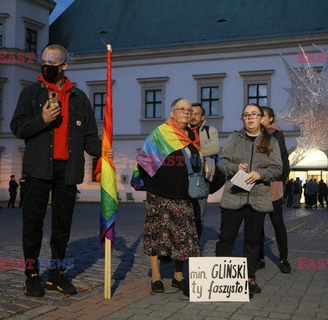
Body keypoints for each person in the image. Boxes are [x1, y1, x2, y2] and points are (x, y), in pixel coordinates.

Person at [11, 44, 113, 297]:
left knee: (62, 227)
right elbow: (18, 127)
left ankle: (56, 275)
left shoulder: (79, 98)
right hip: (37, 168)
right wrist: (42, 120)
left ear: (64, 66)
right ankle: (32, 276)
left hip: (67, 170)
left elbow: (89, 138)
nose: (46, 68)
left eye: (52, 64)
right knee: (32, 225)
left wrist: (102, 150)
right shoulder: (31, 93)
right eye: (43, 63)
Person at [131, 98, 200, 294]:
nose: (186, 112)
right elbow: (144, 161)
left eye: (189, 110)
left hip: (183, 195)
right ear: (172, 112)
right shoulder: (160, 133)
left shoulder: (192, 136)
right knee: (157, 236)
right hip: (159, 194)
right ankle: (156, 277)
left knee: (182, 238)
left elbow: (196, 165)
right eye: (181, 109)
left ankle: (178, 276)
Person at [215, 104, 282, 294]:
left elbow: (278, 168)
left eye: (254, 114)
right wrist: (235, 168)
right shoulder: (234, 138)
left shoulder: (271, 142)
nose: (250, 118)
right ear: (242, 118)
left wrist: (260, 174)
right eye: (246, 115)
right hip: (234, 195)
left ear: (261, 118)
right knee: (225, 238)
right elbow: (222, 162)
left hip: (258, 198)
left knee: (253, 240)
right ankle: (220, 277)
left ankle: (249, 277)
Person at [257, 106, 291, 273]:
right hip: (256, 185)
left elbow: (284, 160)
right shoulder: (253, 134)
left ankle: (284, 258)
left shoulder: (276, 135)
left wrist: (280, 180)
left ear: (270, 118)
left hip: (273, 186)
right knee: (257, 225)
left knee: (277, 223)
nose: (259, 118)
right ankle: (259, 257)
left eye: (262, 116)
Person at [189, 103, 220, 246]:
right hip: (184, 177)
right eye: (191, 113)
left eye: (197, 114)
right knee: (182, 214)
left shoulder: (210, 130)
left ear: (203, 117)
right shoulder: (182, 130)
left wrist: (192, 151)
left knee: (199, 215)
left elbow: (214, 148)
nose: (193, 116)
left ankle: (194, 245)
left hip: (203, 178)